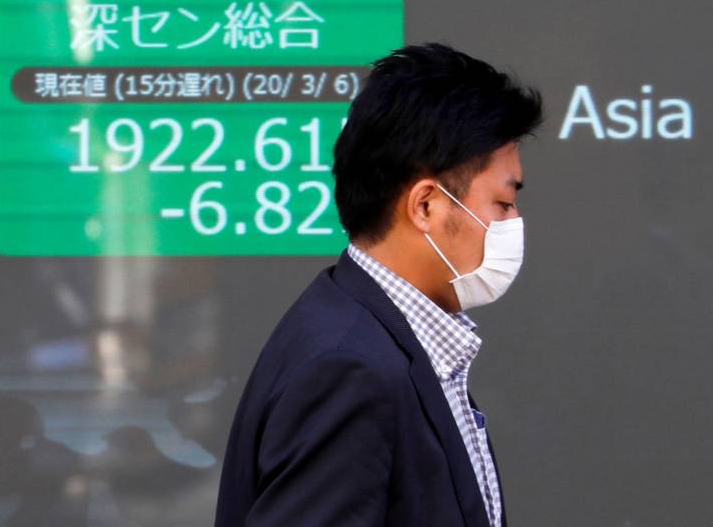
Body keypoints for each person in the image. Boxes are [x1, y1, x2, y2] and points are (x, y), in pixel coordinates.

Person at [214, 42, 543, 526]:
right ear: (426, 206)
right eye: (503, 203)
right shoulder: (347, 366)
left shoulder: (384, 339)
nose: (514, 221)